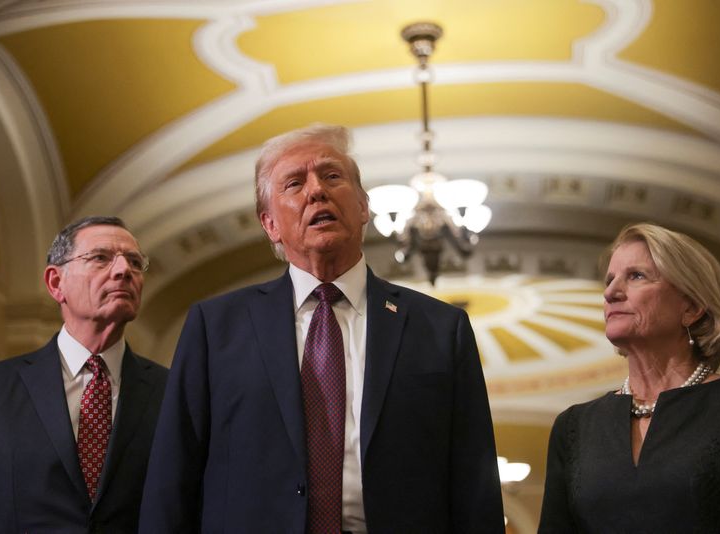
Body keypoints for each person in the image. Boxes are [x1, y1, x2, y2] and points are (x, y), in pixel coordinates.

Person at [139, 124, 504, 532]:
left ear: (364, 206)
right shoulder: (216, 327)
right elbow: (173, 478)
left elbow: (475, 483)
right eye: (294, 184)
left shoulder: (440, 328)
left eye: (332, 176)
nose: (316, 191)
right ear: (270, 224)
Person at [0, 216, 168, 533]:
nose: (123, 271)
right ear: (55, 283)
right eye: (100, 258)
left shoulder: (172, 392)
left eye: (134, 261)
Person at [539, 222, 720, 532]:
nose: (610, 292)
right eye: (609, 280)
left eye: (636, 276)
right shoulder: (574, 427)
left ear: (692, 307)